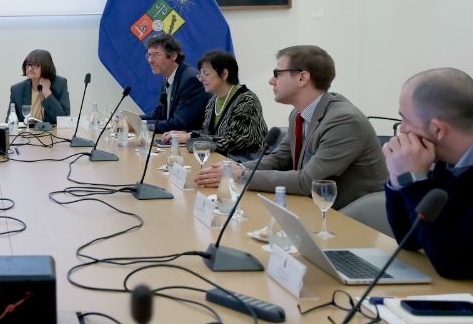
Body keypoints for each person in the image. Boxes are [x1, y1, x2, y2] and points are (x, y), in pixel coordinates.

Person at [194, 45, 386, 209]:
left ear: (302, 78)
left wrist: (241, 176)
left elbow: (306, 181)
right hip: (312, 207)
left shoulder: (344, 121)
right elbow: (279, 159)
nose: (271, 81)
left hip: (351, 219)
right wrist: (234, 167)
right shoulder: (298, 114)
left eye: (277, 74)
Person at [383, 68, 473, 279]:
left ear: (437, 130)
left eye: (404, 120)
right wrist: (401, 180)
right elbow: (410, 239)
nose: (402, 130)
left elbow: (452, 262)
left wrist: (414, 181)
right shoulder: (446, 162)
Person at [161, 50, 268, 158]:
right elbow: (207, 133)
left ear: (224, 74)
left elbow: (238, 142)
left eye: (206, 73)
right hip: (217, 160)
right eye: (200, 74)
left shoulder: (246, 100)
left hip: (244, 165)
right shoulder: (213, 100)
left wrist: (191, 137)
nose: (201, 79)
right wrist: (185, 133)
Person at [141, 33, 209, 134]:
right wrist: (132, 119)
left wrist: (140, 125)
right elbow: (158, 115)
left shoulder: (190, 79)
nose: (150, 60)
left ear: (173, 55)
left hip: (192, 145)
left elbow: (179, 123)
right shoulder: (168, 78)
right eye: (149, 55)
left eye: (156, 55)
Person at [8, 49, 71, 126]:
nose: (30, 68)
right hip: (25, 136)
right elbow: (9, 123)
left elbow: (64, 119)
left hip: (52, 136)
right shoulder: (17, 90)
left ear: (46, 66)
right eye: (28, 65)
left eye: (34, 65)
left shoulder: (60, 84)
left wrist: (47, 92)